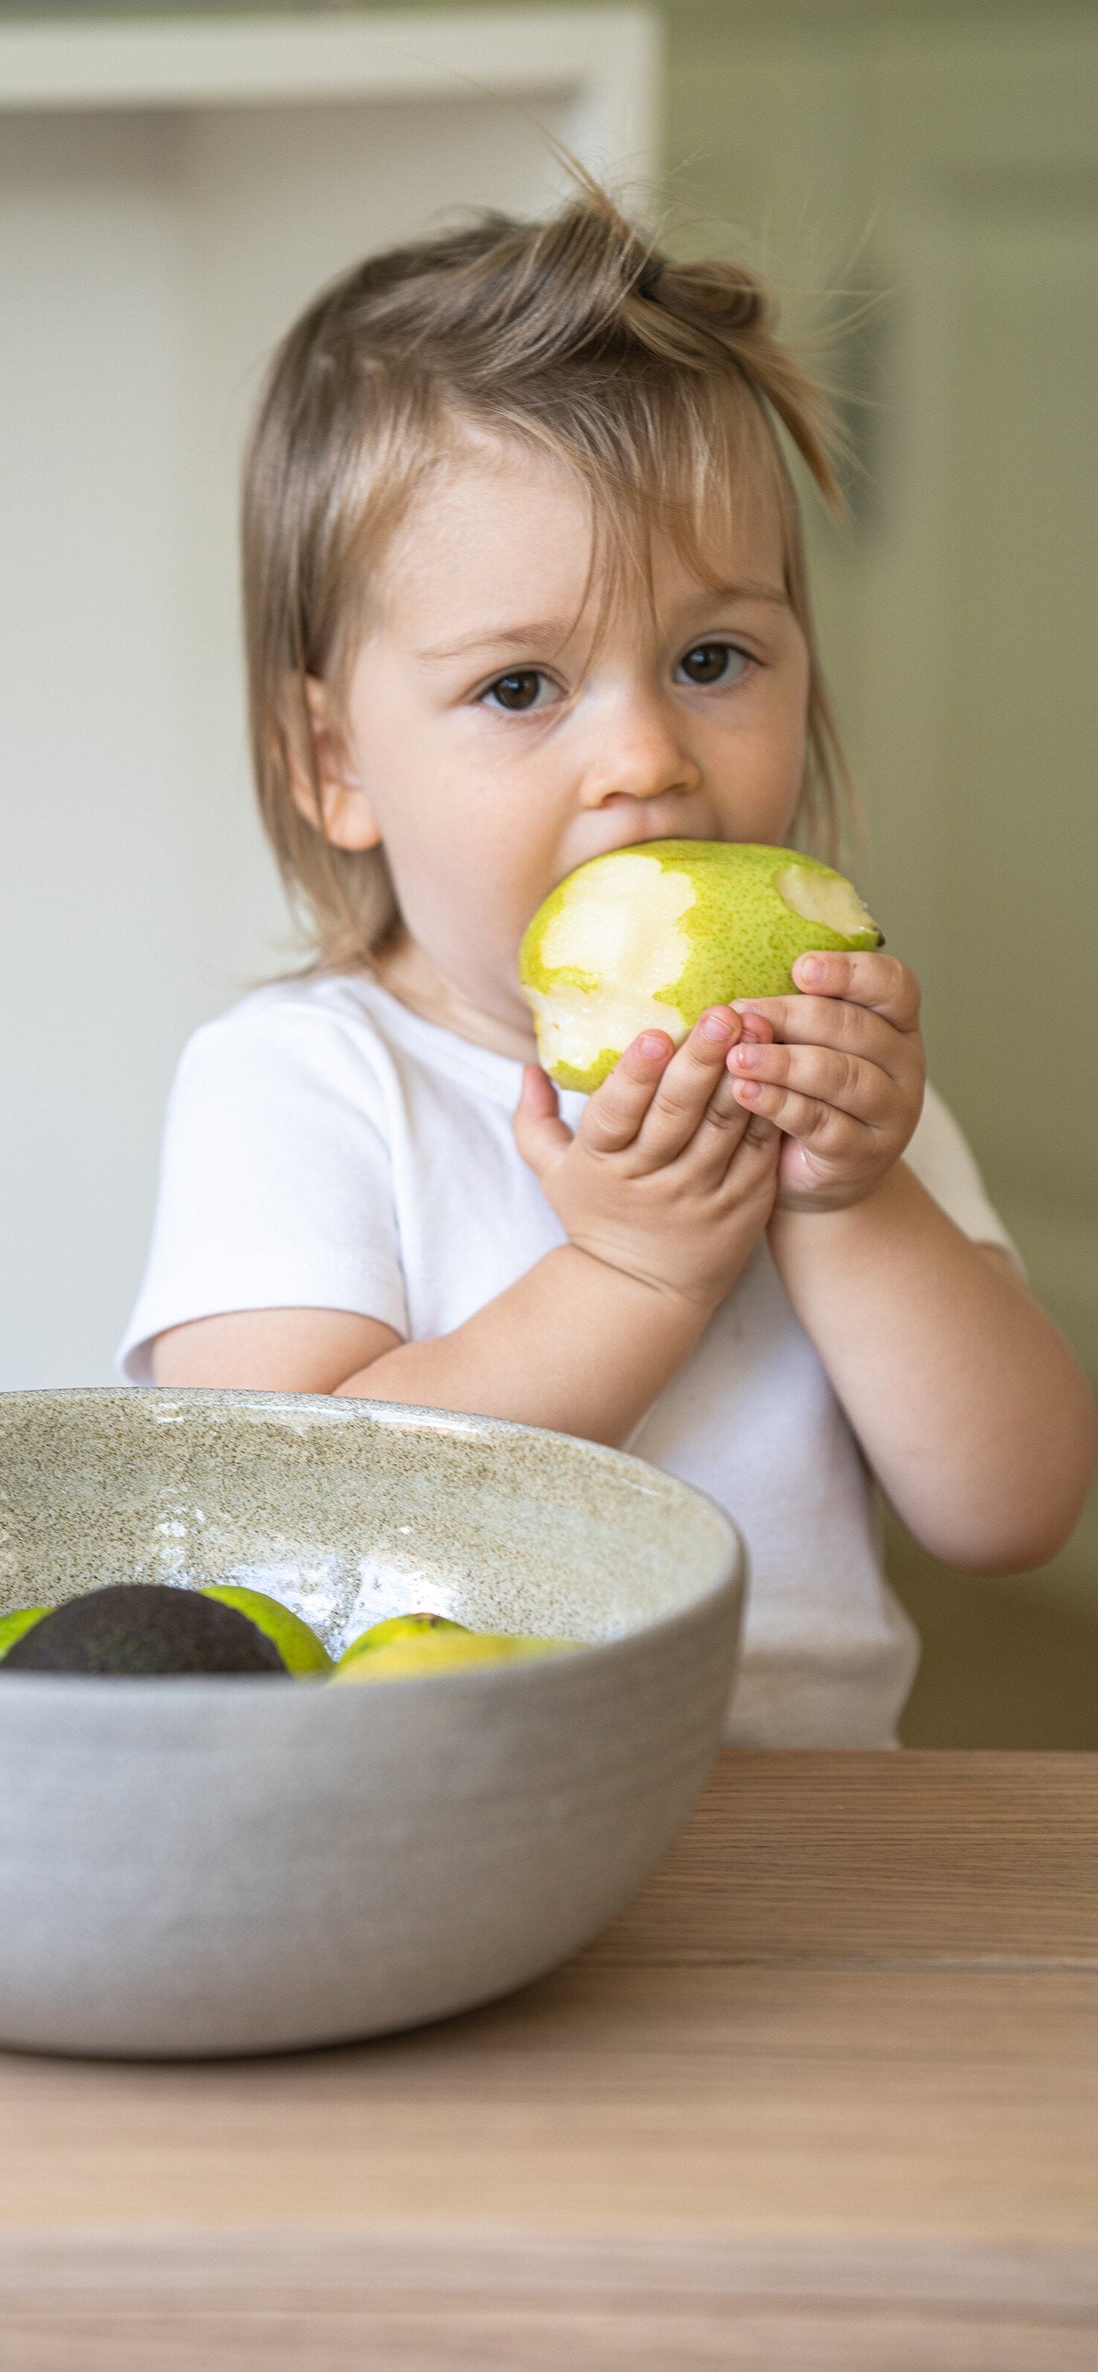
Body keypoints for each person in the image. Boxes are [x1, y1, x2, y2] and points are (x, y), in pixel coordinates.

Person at [117, 174, 1096, 1746]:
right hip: (442, 1829)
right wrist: (631, 1275)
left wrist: (856, 1200)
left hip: (804, 1833)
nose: (645, 755)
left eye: (713, 661)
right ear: (333, 760)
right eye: (522, 687)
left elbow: (1013, 1508)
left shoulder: (820, 1078)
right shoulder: (303, 1085)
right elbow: (280, 1512)